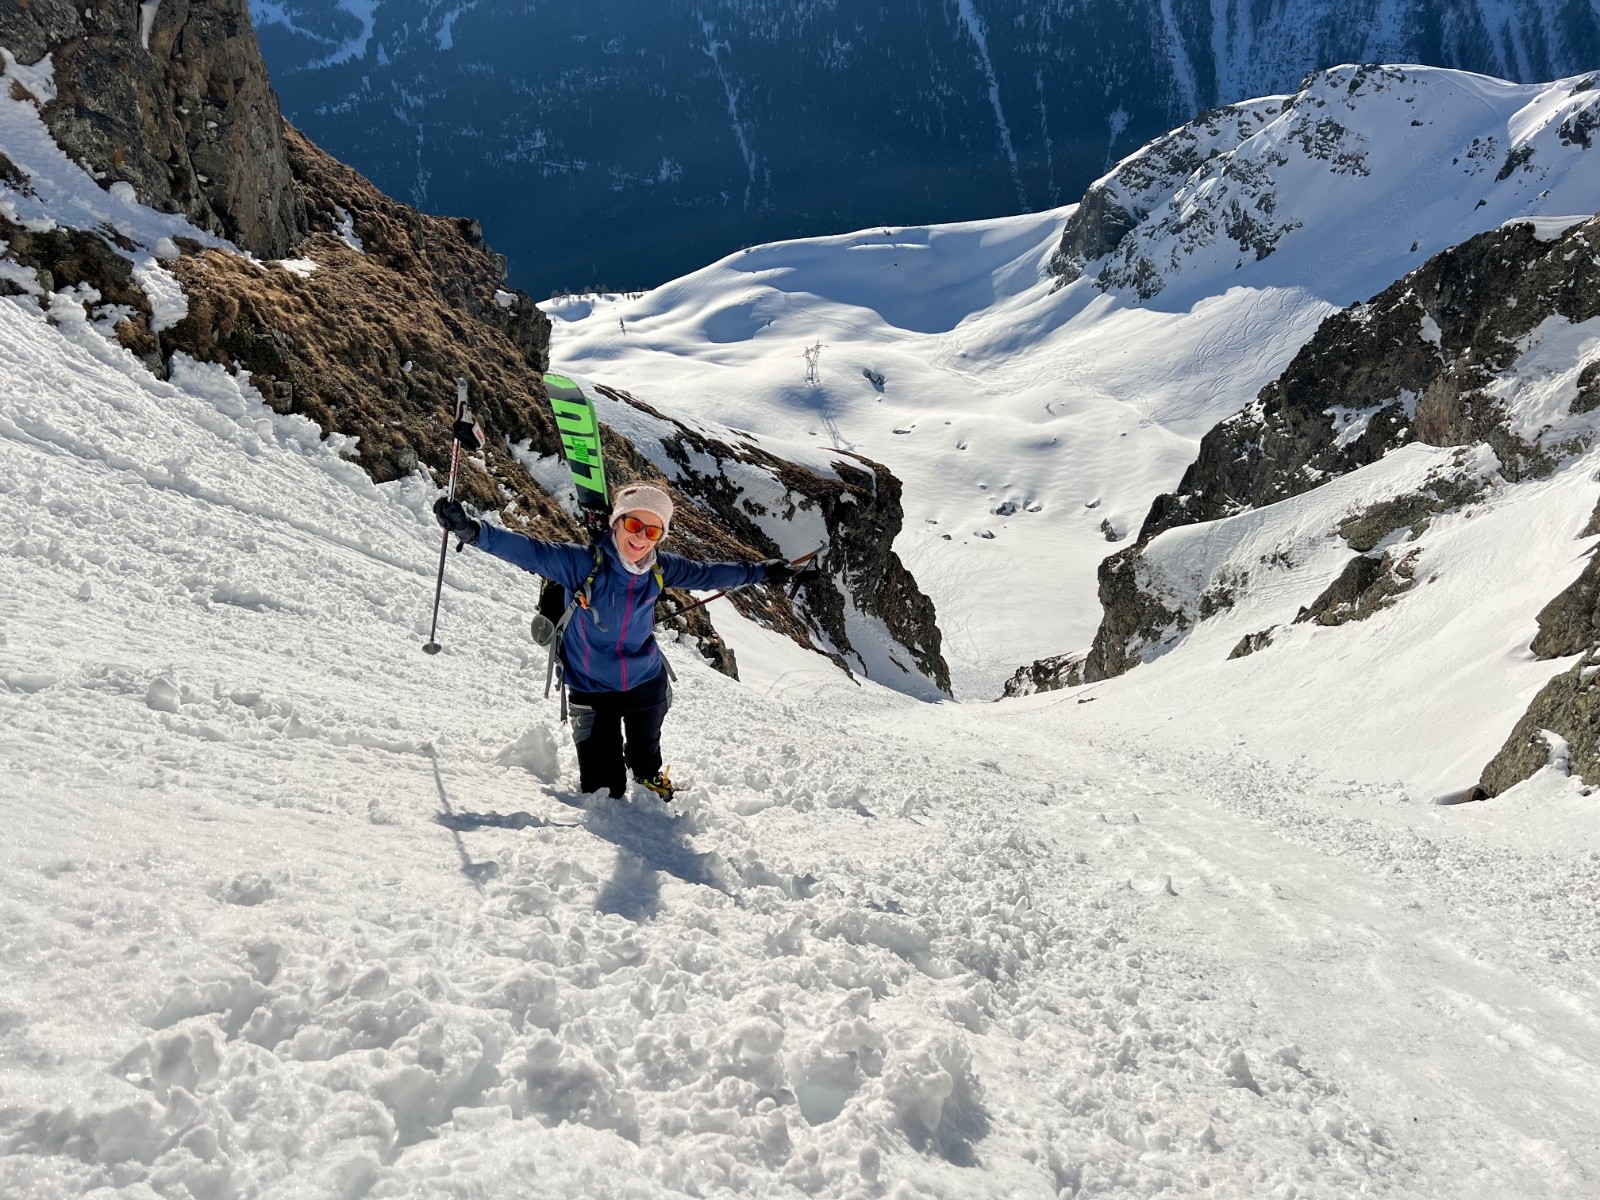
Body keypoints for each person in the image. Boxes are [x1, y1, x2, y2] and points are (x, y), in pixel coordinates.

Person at [432, 483, 812, 801]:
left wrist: (764, 571)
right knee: (603, 792)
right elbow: (529, 550)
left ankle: (647, 774)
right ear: (616, 523)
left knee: (647, 754)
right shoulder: (582, 564)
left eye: (653, 531)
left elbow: (710, 572)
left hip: (645, 681)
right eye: (634, 523)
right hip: (591, 688)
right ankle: (619, 771)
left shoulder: (661, 568)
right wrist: (472, 531)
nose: (641, 538)